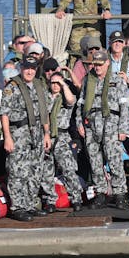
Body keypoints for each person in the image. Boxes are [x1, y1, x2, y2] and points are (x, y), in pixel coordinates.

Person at [76, 50, 129, 210]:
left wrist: (123, 128)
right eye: (95, 64)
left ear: (107, 63)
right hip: (91, 123)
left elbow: (125, 106)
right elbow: (81, 103)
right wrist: (80, 123)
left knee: (114, 159)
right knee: (95, 160)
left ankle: (120, 194)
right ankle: (100, 193)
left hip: (111, 123)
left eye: (100, 64)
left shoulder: (117, 80)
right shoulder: (88, 80)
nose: (97, 67)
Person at [0, 56, 52, 222]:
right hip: (19, 132)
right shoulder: (12, 88)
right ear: (21, 68)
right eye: (26, 68)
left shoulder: (39, 86)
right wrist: (7, 137)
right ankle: (18, 207)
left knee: (35, 170)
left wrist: (46, 133)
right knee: (17, 171)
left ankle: (30, 204)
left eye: (33, 68)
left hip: (36, 133)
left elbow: (45, 112)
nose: (30, 71)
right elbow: (4, 114)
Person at [44, 71, 84, 212]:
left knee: (69, 169)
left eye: (58, 83)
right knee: (47, 171)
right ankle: (50, 200)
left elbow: (71, 101)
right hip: (47, 136)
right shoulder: (45, 97)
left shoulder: (65, 96)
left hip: (61, 136)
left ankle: (76, 198)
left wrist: (63, 84)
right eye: (53, 83)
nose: (55, 86)